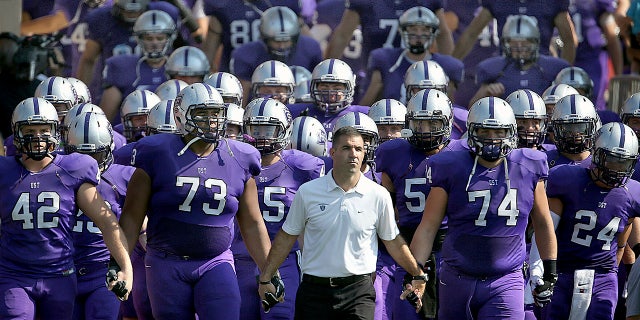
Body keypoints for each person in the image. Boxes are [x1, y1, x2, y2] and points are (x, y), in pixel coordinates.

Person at [117, 83, 273, 319]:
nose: (211, 121)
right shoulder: (158, 153)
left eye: (216, 114)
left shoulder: (238, 157)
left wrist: (269, 272)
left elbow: (252, 222)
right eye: (203, 114)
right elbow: (131, 217)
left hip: (215, 261)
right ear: (181, 116)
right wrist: (118, 263)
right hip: (165, 263)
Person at [409, 96, 557, 319]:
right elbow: (428, 226)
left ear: (511, 133)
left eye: (499, 133)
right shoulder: (451, 166)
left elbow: (544, 223)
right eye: (485, 132)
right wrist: (416, 271)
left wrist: (550, 270)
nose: (492, 140)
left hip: (505, 279)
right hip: (456, 277)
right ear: (471, 132)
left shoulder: (528, 165)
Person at [258, 126, 427, 319]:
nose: (353, 154)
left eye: (358, 149)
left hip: (358, 291)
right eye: (346, 148)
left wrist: (417, 273)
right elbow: (287, 237)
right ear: (333, 152)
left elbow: (393, 241)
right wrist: (266, 276)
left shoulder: (378, 194)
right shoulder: (308, 192)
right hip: (315, 290)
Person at [0, 97, 132, 319]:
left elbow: (107, 222)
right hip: (15, 274)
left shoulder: (73, 169)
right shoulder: (4, 172)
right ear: (17, 132)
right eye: (30, 130)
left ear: (56, 131)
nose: (38, 137)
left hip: (59, 275)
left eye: (44, 129)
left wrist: (126, 267)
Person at [234, 97, 325, 320]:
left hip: (284, 259)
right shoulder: (232, 160)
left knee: (280, 316)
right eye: (256, 129)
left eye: (269, 130)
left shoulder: (303, 166)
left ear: (284, 131)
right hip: (239, 257)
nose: (261, 137)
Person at [538, 122, 640, 319]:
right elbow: (543, 224)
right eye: (610, 161)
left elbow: (623, 239)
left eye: (622, 163)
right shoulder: (567, 177)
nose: (615, 170)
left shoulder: (632, 192)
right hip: (563, 269)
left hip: (603, 275)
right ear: (596, 154)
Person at [65, 111, 136, 320]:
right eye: (81, 156)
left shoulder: (123, 177)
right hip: (63, 270)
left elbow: (142, 227)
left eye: (95, 156)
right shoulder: (56, 173)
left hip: (103, 271)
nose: (89, 164)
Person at [360, 6, 464, 106]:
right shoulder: (387, 60)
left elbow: (450, 109)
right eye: (413, 29)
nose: (419, 34)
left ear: (433, 32)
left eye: (425, 29)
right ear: (403, 31)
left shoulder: (446, 66)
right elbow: (368, 105)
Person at [470, 14, 570, 105]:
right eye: (514, 43)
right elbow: (473, 109)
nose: (519, 47)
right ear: (505, 43)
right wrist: (486, 93)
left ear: (535, 42)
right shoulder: (492, 69)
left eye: (525, 42)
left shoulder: (555, 68)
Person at [231, 6, 322, 100]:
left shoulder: (311, 48)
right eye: (276, 41)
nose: (282, 46)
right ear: (264, 37)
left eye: (286, 41)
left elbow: (321, 86)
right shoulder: (246, 54)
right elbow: (243, 99)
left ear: (295, 37)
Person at [100, 9, 176, 123]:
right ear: (139, 39)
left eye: (160, 38)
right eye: (149, 38)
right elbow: (105, 120)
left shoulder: (179, 67)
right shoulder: (122, 66)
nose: (154, 43)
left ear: (170, 38)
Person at [451, 0, 577, 64]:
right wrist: (451, 65)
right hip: (506, 68)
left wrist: (562, 74)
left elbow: (569, 40)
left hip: (541, 69)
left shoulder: (552, 2)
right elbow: (471, 34)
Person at [202, 0, 304, 73]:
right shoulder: (223, 6)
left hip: (280, 73)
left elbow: (307, 44)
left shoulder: (286, 4)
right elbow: (207, 57)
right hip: (235, 75)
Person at [546, 94, 601, 169]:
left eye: (580, 127)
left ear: (593, 127)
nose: (575, 133)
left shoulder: (599, 164)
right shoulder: (544, 161)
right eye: (568, 128)